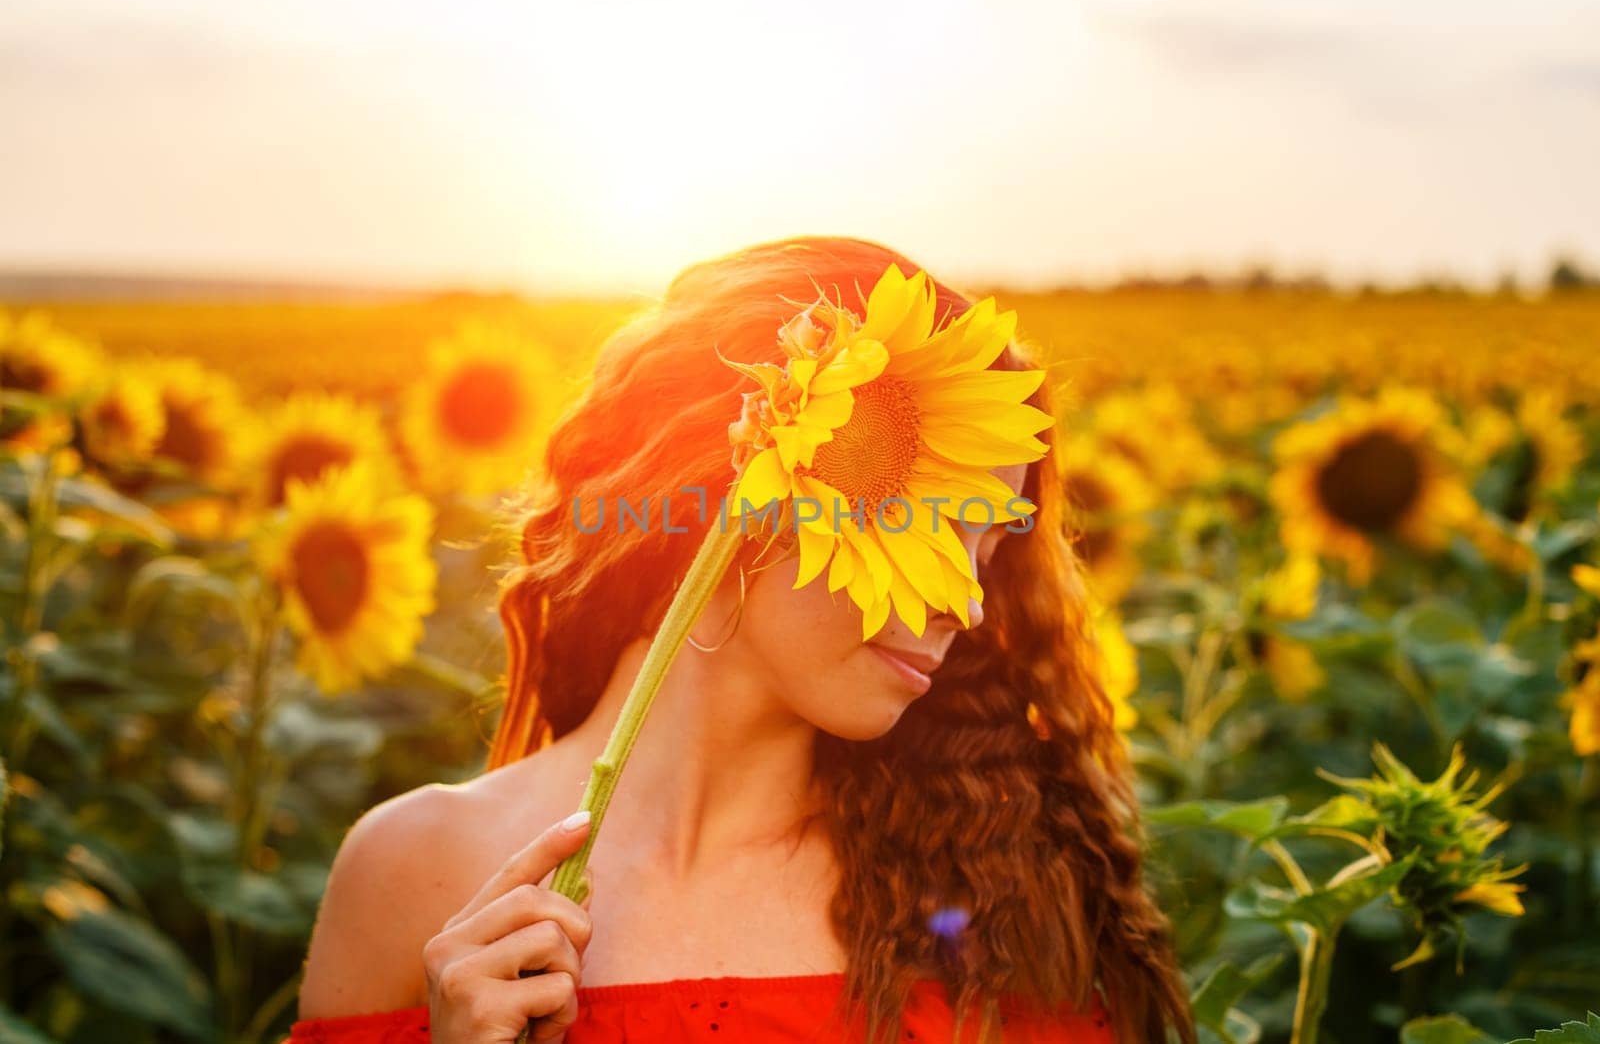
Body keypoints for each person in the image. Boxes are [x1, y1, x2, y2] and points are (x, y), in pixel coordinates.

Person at [290, 237, 1197, 1044]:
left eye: (990, 554)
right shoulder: (413, 872)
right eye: (934, 524)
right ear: (756, 476)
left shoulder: (1007, 888)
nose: (967, 604)